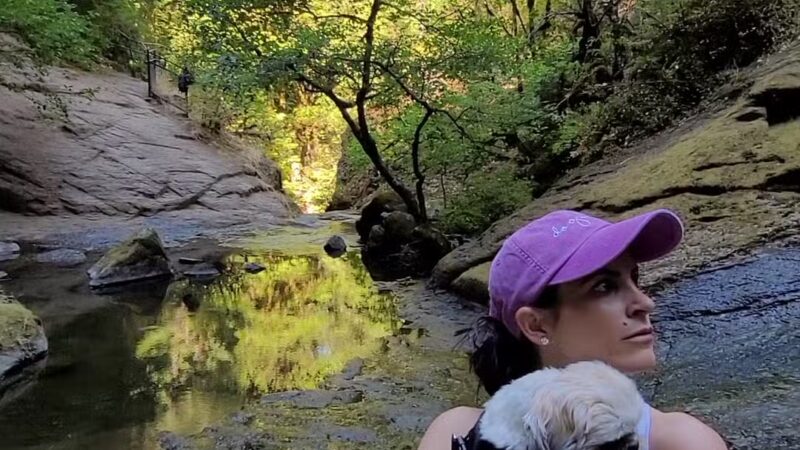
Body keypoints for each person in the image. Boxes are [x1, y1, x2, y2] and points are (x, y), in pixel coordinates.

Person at [417, 208, 728, 450]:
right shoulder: (455, 433)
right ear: (536, 325)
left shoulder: (681, 442)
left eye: (634, 278)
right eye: (604, 286)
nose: (645, 302)